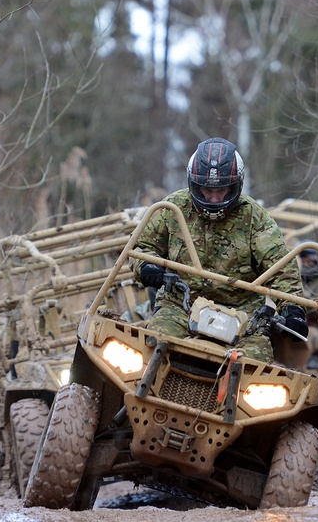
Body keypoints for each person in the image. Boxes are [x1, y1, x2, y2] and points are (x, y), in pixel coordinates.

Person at [131, 137, 308, 362]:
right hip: (179, 306)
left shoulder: (256, 218)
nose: (213, 198)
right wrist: (148, 267)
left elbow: (281, 268)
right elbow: (142, 247)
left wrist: (293, 309)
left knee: (256, 368)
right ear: (194, 184)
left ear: (235, 185)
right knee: (151, 348)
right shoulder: (172, 208)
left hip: (244, 317)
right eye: (206, 190)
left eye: (222, 190)